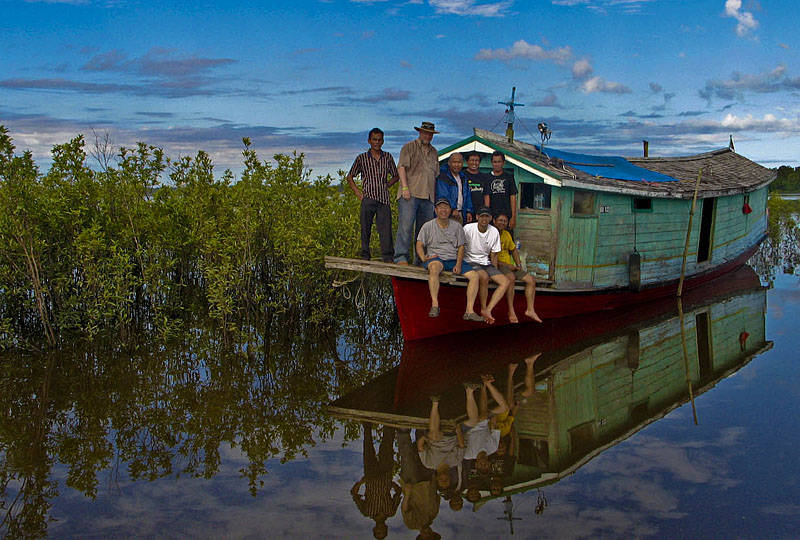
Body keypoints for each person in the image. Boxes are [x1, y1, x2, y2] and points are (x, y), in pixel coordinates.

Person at [416, 198, 483, 321]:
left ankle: (469, 311)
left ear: (450, 210)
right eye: (440, 207)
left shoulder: (457, 226)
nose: (443, 210)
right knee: (434, 268)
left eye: (446, 207)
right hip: (436, 258)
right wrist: (423, 257)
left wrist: (458, 264)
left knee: (474, 276)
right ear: (435, 210)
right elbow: (419, 244)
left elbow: (461, 246)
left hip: (452, 258)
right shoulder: (428, 226)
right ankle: (435, 305)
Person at [346, 128, 399, 262]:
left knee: (385, 230)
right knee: (365, 228)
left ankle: (388, 257)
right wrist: (358, 192)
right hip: (368, 198)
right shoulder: (362, 158)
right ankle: (365, 255)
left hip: (383, 199)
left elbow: (396, 175)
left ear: (383, 141)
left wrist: (387, 185)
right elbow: (350, 176)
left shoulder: (387, 157)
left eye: (379, 140)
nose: (377, 142)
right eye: (374, 139)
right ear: (369, 141)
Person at [394, 121, 440, 265]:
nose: (427, 136)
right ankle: (401, 257)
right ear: (420, 132)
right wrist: (405, 188)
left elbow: (436, 175)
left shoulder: (434, 152)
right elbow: (401, 167)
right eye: (425, 133)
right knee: (406, 227)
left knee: (424, 231)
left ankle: (420, 260)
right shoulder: (409, 147)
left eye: (430, 134)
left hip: (428, 196)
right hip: (410, 194)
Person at [350, 423, 401, 539]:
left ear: (374, 529)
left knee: (368, 445)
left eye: (378, 532)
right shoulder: (390, 512)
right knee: (387, 444)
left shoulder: (367, 512)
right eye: (382, 532)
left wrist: (362, 482)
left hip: (370, 475)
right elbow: (398, 492)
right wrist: (389, 482)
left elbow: (354, 494)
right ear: (386, 528)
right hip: (385, 473)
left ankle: (367, 422)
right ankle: (388, 421)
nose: (380, 530)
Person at [462, 207, 512, 324]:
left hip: (485, 262)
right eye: (482, 216)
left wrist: (494, 271)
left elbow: (494, 254)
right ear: (477, 217)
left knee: (505, 282)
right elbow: (461, 247)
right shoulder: (468, 228)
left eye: (487, 216)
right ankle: (483, 308)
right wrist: (459, 264)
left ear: (490, 218)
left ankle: (488, 310)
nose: (484, 219)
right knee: (484, 276)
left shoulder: (494, 231)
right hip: (470, 260)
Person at [494, 213, 542, 323]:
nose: (502, 223)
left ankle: (530, 310)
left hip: (509, 266)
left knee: (531, 280)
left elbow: (514, 250)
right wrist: (507, 266)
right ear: (494, 221)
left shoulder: (506, 234)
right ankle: (511, 310)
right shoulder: (491, 234)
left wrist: (519, 265)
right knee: (511, 278)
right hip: (498, 266)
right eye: (500, 220)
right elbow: (490, 258)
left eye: (505, 221)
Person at [416, 396, 465, 497]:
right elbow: (461, 445)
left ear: (437, 479)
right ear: (450, 478)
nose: (444, 479)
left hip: (432, 436)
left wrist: (424, 438)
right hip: (451, 435)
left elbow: (420, 448)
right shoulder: (456, 461)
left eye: (441, 481)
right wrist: (458, 431)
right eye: (446, 480)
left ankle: (435, 402)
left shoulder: (428, 464)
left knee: (434, 435)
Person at [462, 375, 509, 478]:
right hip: (484, 421)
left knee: (479, 418)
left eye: (481, 466)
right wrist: (492, 415)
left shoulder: (468, 455)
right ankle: (487, 383)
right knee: (504, 408)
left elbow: (460, 439)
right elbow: (494, 427)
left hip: (468, 427)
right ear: (489, 463)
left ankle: (469, 390)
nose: (483, 464)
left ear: (476, 465)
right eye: (486, 466)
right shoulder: (493, 448)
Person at [435, 152, 473, 224]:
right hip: (448, 213)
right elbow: (443, 195)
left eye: (459, 162)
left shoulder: (463, 177)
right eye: (454, 162)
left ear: (462, 163)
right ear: (449, 163)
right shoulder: (443, 176)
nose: (457, 165)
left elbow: (467, 195)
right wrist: (452, 209)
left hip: (461, 212)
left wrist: (469, 211)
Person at [486, 151, 518, 230]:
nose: (497, 164)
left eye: (499, 162)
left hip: (507, 217)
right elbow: (487, 198)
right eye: (495, 162)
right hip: (493, 217)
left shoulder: (509, 177)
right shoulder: (487, 178)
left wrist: (513, 217)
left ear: (503, 163)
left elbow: (513, 197)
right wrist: (487, 216)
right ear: (492, 163)